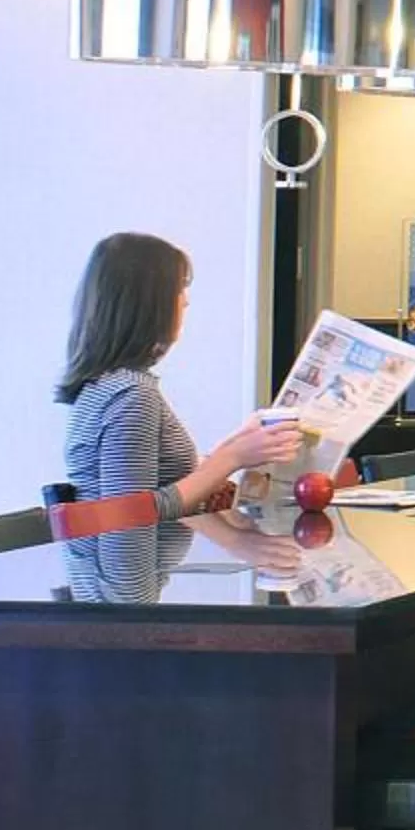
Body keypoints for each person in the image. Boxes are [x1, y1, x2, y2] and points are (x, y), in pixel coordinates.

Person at [56, 231, 300, 589]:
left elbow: (150, 495)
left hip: (117, 603)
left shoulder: (108, 386)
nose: (185, 303)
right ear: (149, 302)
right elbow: (132, 514)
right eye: (179, 289)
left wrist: (235, 447)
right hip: (123, 614)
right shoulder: (130, 394)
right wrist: (230, 458)